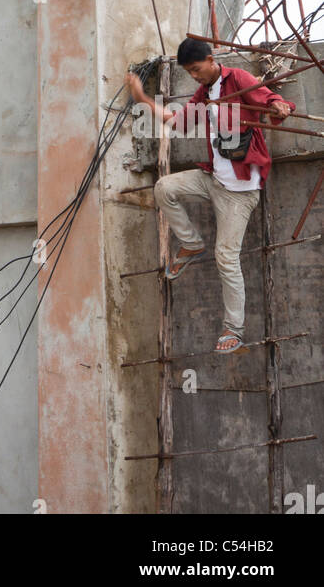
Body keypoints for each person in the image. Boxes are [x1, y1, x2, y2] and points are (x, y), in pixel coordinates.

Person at [126, 37, 294, 355]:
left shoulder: (238, 79)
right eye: (189, 72)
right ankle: (191, 244)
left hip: (239, 192)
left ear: (211, 58)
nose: (194, 76)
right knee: (165, 188)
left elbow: (269, 100)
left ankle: (234, 328)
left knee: (226, 259)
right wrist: (142, 98)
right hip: (213, 179)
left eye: (196, 69)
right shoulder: (204, 93)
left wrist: (278, 106)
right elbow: (176, 121)